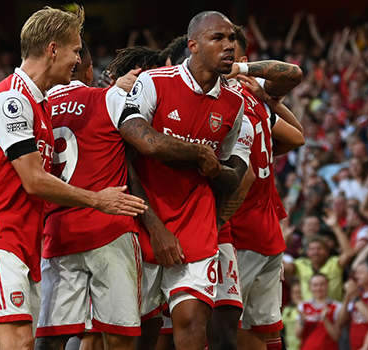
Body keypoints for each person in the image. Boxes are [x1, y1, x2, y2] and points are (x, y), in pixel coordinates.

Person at [0, 5, 146, 350]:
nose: (79, 59)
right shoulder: (11, 99)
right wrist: (97, 199)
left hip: (24, 242)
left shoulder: (40, 104)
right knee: (16, 342)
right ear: (52, 49)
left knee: (22, 344)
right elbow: (34, 180)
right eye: (76, 49)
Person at [35, 41, 220, 350]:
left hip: (58, 234)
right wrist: (200, 152)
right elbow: (145, 143)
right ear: (90, 71)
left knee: (53, 337)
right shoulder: (110, 98)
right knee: (119, 337)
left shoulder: (36, 107)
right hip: (110, 229)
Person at [122, 11, 248, 350]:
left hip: (197, 225)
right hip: (145, 219)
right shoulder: (154, 82)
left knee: (193, 324)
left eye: (232, 38)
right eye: (217, 38)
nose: (228, 45)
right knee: (141, 336)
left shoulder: (235, 105)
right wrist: (153, 224)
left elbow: (230, 176)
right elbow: (136, 143)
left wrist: (214, 174)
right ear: (192, 45)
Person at [215, 25, 304, 350]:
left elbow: (246, 176)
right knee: (267, 329)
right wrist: (268, 99)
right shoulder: (256, 101)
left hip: (240, 233)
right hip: (269, 234)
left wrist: (215, 224)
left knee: (225, 327)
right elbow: (298, 137)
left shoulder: (226, 102)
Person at [284, 210, 356, 301]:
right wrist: (284, 239)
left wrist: (335, 227)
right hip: (308, 314)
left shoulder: (334, 263)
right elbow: (280, 267)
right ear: (307, 253)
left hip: (333, 313)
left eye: (319, 249)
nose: (316, 252)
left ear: (327, 251)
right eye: (312, 249)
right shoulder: (301, 264)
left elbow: (349, 253)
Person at [295, 274, 341, 350]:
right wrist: (302, 321)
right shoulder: (303, 306)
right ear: (310, 287)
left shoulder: (336, 306)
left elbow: (336, 336)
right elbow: (297, 335)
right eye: (315, 285)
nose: (318, 288)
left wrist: (325, 319)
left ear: (327, 286)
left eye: (322, 284)